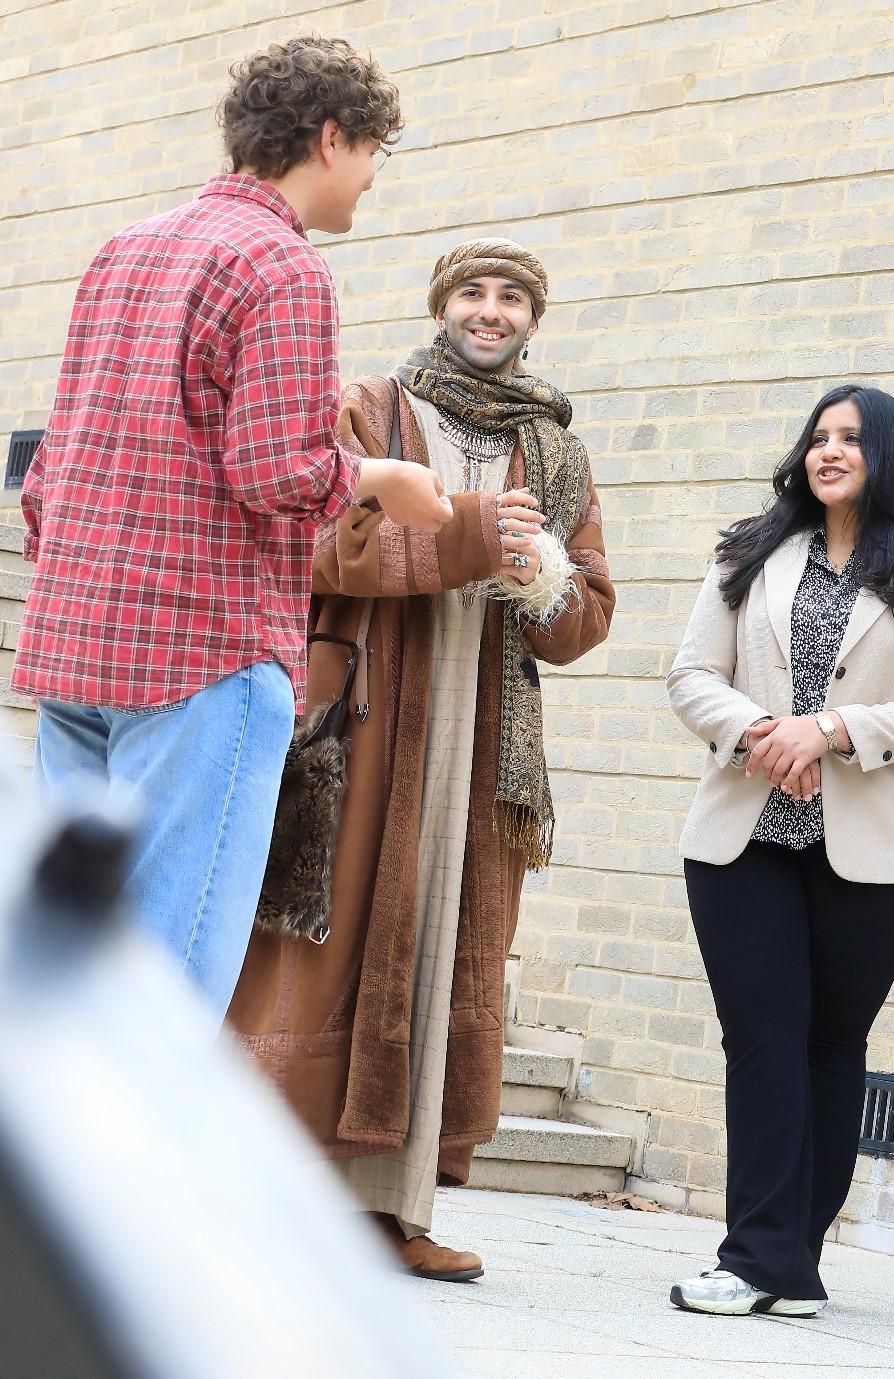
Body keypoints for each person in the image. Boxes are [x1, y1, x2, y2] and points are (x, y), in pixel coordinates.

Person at [15, 37, 453, 1015]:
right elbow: (277, 472)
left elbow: (52, 471)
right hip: (202, 659)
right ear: (330, 138)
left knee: (65, 982)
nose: (375, 177)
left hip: (77, 648)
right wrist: (386, 475)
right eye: (376, 151)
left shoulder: (122, 250)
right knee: (163, 1003)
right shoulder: (283, 265)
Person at [229, 238, 615, 1282]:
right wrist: (474, 532)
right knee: (326, 953)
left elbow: (582, 619)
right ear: (443, 304)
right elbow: (315, 543)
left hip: (483, 741)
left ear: (535, 318)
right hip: (363, 721)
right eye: (473, 293)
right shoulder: (370, 407)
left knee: (447, 956)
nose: (490, 312)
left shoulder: (559, 450)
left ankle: (394, 1213)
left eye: (512, 299)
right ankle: (267, 1190)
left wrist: (536, 574)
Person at [665, 385, 894, 1317]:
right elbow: (690, 674)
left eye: (851, 438)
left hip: (878, 855)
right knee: (763, 1035)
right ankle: (760, 1256)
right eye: (819, 436)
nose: (829, 450)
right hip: (744, 836)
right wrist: (768, 730)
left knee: (832, 1044)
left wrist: (833, 730)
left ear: (890, 455)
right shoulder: (749, 552)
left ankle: (791, 1259)